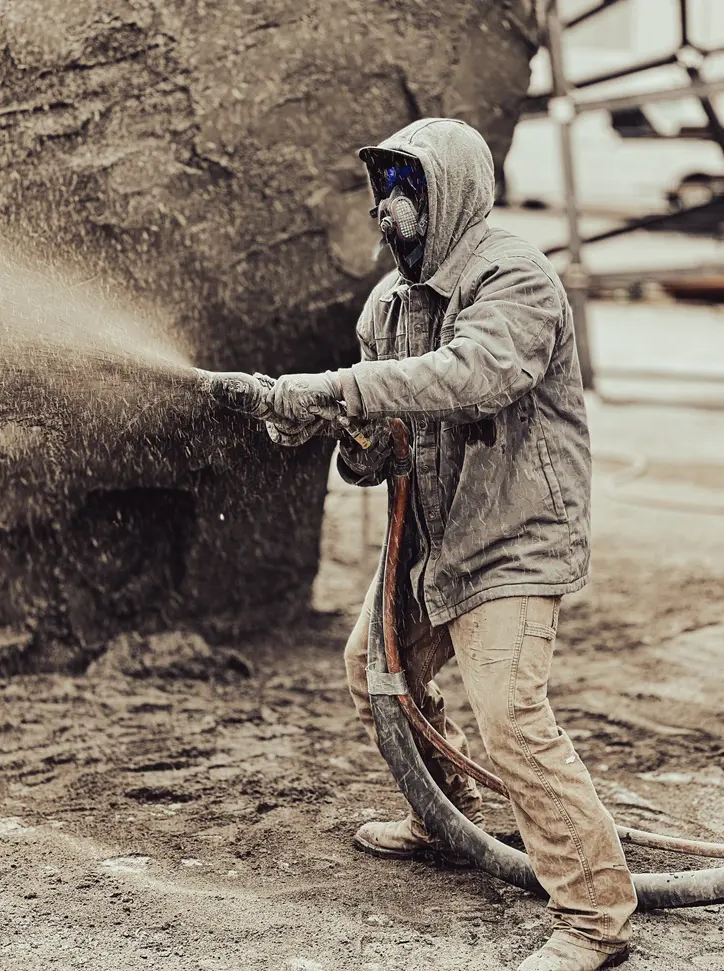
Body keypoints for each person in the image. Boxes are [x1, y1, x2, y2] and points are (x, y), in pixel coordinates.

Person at [264, 118, 637, 971]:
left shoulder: (515, 276)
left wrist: (341, 387)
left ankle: (594, 918)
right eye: (383, 192)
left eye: (406, 191)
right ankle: (447, 811)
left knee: (511, 718)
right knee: (374, 673)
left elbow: (476, 376)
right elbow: (384, 445)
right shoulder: (388, 306)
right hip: (433, 536)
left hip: (512, 537)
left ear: (450, 192)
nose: (387, 211)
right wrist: (339, 428)